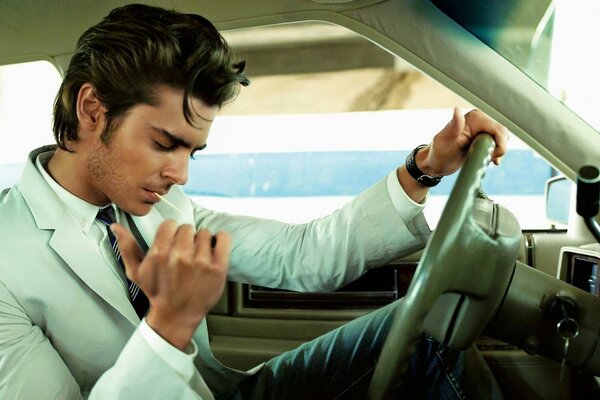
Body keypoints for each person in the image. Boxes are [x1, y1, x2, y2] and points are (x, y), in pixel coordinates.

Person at [0, 3, 508, 399]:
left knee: (426, 326)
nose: (179, 174)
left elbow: (304, 255)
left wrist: (426, 167)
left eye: (192, 151)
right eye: (163, 143)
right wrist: (169, 326)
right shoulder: (6, 261)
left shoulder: (164, 206)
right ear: (92, 108)